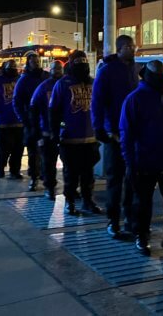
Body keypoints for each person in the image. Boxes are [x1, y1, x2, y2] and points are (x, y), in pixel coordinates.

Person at [120, 60, 163, 258]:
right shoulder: (135, 99)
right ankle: (141, 236)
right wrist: (130, 163)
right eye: (158, 75)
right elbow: (127, 134)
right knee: (142, 203)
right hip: (144, 162)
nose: (162, 78)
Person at [91, 34, 139, 239]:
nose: (133, 48)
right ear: (120, 48)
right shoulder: (107, 70)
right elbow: (97, 101)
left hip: (133, 135)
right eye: (129, 46)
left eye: (134, 45)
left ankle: (130, 218)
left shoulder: (134, 69)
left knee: (132, 181)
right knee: (115, 181)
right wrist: (99, 128)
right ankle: (113, 220)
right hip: (114, 135)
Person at [49, 51, 101, 215]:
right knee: (70, 175)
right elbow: (54, 111)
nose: (82, 66)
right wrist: (54, 134)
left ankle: (87, 201)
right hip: (69, 139)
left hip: (90, 138)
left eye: (84, 63)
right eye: (78, 63)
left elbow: (100, 109)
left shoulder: (93, 83)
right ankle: (70, 202)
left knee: (88, 175)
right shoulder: (62, 84)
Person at [30, 60, 65, 199]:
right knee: (49, 162)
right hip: (47, 131)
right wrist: (36, 132)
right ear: (49, 70)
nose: (57, 71)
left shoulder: (66, 85)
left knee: (68, 163)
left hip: (65, 131)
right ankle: (49, 187)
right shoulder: (43, 87)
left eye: (59, 69)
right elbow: (34, 108)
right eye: (54, 68)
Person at [0, 60, 24, 179]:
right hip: (2, 120)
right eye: (10, 67)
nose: (12, 69)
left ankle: (14, 170)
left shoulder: (20, 80)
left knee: (18, 149)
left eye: (14, 67)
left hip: (19, 121)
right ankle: (0, 167)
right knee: (4, 148)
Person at [14, 53, 48, 191]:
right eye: (33, 61)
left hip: (47, 120)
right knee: (33, 152)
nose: (36, 63)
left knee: (48, 152)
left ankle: (45, 176)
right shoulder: (24, 79)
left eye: (38, 61)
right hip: (32, 121)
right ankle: (34, 177)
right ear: (28, 63)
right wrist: (24, 119)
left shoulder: (45, 77)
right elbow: (17, 101)